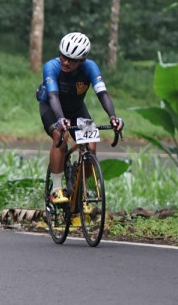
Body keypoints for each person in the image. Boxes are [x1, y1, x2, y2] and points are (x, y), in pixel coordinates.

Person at [37, 32, 122, 205]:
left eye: (72, 60)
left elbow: (102, 94)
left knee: (91, 145)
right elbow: (53, 96)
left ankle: (81, 190)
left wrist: (113, 117)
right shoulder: (51, 66)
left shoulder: (90, 68)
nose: (65, 62)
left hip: (76, 110)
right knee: (61, 136)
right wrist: (61, 119)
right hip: (52, 108)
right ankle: (56, 188)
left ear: (82, 60)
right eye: (63, 56)